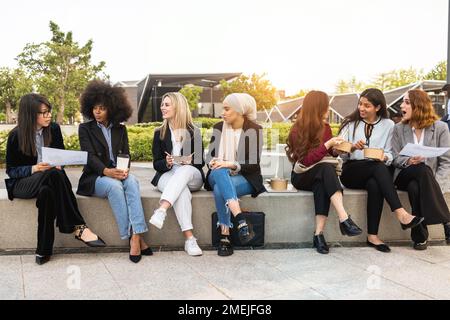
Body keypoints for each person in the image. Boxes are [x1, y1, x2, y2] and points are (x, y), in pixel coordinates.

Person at [5, 93, 106, 265]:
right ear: (30, 114)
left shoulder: (53, 129)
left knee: (47, 192)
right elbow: (11, 171)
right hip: (23, 183)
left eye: (49, 111)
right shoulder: (16, 135)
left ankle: (43, 250)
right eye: (43, 113)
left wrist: (60, 164)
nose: (48, 115)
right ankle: (78, 226)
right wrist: (35, 168)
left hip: (50, 180)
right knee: (53, 175)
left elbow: (60, 157)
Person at [338, 88, 425, 253]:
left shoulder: (388, 125)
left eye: (367, 105)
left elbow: (391, 153)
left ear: (377, 107)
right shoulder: (351, 124)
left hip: (378, 170)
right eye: (360, 104)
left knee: (375, 182)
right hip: (352, 171)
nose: (361, 108)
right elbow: (339, 151)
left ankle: (372, 236)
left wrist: (383, 156)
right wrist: (351, 147)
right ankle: (400, 213)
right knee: (377, 169)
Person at [77, 80, 151, 263]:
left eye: (101, 108)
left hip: (118, 172)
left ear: (111, 108)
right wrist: (106, 171)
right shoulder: (85, 128)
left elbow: (126, 153)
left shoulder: (120, 129)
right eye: (94, 108)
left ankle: (136, 236)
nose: (97, 111)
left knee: (132, 181)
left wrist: (124, 170)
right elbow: (89, 156)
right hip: (95, 177)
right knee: (115, 187)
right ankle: (133, 236)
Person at [286, 90, 365, 255]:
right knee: (325, 169)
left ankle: (318, 235)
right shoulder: (297, 129)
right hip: (301, 176)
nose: (328, 110)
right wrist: (327, 144)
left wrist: (340, 150)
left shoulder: (325, 127)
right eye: (326, 106)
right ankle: (344, 218)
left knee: (323, 180)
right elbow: (305, 161)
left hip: (320, 173)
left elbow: (326, 155)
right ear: (318, 108)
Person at [204, 93, 266, 257]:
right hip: (218, 173)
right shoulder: (218, 127)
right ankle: (240, 219)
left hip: (245, 177)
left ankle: (225, 236)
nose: (222, 113)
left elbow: (253, 163)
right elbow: (209, 155)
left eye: (226, 108)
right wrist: (214, 162)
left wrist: (230, 164)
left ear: (239, 111)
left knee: (219, 190)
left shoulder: (255, 130)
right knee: (219, 171)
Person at [392, 89, 450, 249]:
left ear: (419, 106)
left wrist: (436, 185)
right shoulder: (398, 128)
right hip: (403, 174)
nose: (402, 106)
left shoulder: (441, 128)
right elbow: (394, 158)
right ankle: (446, 220)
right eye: (403, 102)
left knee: (416, 186)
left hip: (426, 180)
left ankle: (419, 237)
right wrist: (409, 160)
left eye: (407, 102)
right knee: (421, 169)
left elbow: (446, 162)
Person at [149, 92, 205, 256]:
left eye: (167, 105)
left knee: (184, 170)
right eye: (162, 104)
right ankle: (190, 239)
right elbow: (156, 164)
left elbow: (200, 161)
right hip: (167, 176)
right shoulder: (159, 132)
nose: (162, 108)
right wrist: (167, 162)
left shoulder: (194, 131)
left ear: (178, 107)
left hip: (191, 175)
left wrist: (184, 160)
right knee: (182, 192)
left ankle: (162, 209)